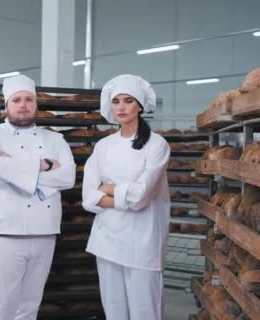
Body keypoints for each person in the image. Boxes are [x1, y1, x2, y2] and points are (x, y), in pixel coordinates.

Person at [0, 75, 76, 320]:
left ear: (36, 104)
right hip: (4, 232)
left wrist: (16, 170)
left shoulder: (55, 139)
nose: (23, 104)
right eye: (17, 100)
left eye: (29, 99)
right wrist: (44, 165)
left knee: (30, 307)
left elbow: (68, 177)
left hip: (45, 232)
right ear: (7, 105)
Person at [82, 74, 170, 320]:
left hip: (143, 240)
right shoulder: (103, 146)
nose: (121, 106)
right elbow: (88, 196)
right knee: (114, 310)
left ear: (140, 106)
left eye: (128, 100)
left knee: (145, 311)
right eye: (116, 101)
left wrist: (108, 189)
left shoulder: (157, 145)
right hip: (106, 239)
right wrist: (121, 196)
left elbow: (142, 196)